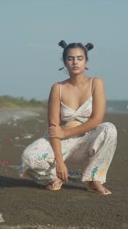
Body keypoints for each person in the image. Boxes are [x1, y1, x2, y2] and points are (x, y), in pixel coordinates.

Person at [19, 40, 117, 195]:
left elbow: (97, 119)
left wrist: (66, 133)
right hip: (61, 143)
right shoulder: (57, 88)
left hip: (87, 141)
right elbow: (54, 127)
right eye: (70, 58)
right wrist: (59, 163)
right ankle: (53, 178)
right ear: (65, 62)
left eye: (79, 58)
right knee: (30, 157)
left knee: (109, 128)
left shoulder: (96, 83)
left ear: (86, 61)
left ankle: (94, 180)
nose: (75, 62)